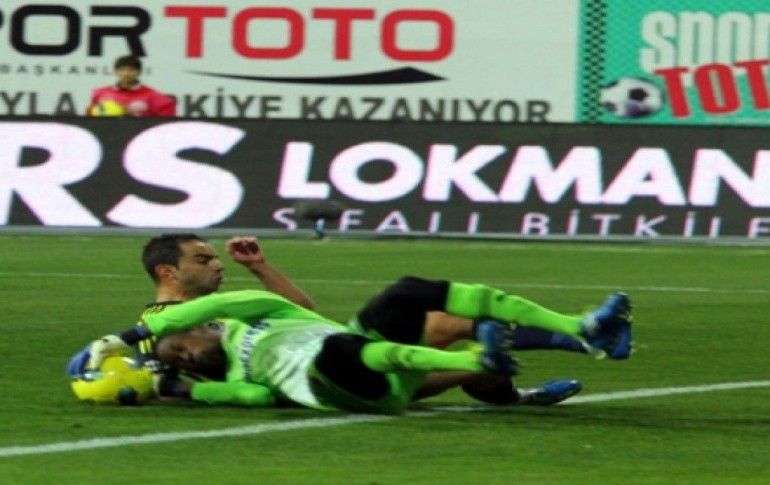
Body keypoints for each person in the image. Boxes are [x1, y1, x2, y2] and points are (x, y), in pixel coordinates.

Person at [81, 277, 632, 414]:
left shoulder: (257, 316)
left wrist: (131, 337)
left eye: (181, 346)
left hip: (366, 354)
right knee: (344, 351)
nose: (187, 355)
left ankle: (580, 327)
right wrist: (177, 388)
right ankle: (496, 374)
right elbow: (251, 398)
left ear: (209, 327)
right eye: (181, 361)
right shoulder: (242, 378)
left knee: (412, 295)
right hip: (345, 383)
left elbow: (217, 303)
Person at [86, 55, 176, 117]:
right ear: (115, 71)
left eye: (131, 70)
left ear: (139, 72)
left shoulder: (153, 96)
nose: (126, 73)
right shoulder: (100, 93)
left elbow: (163, 124)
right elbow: (89, 116)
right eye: (122, 70)